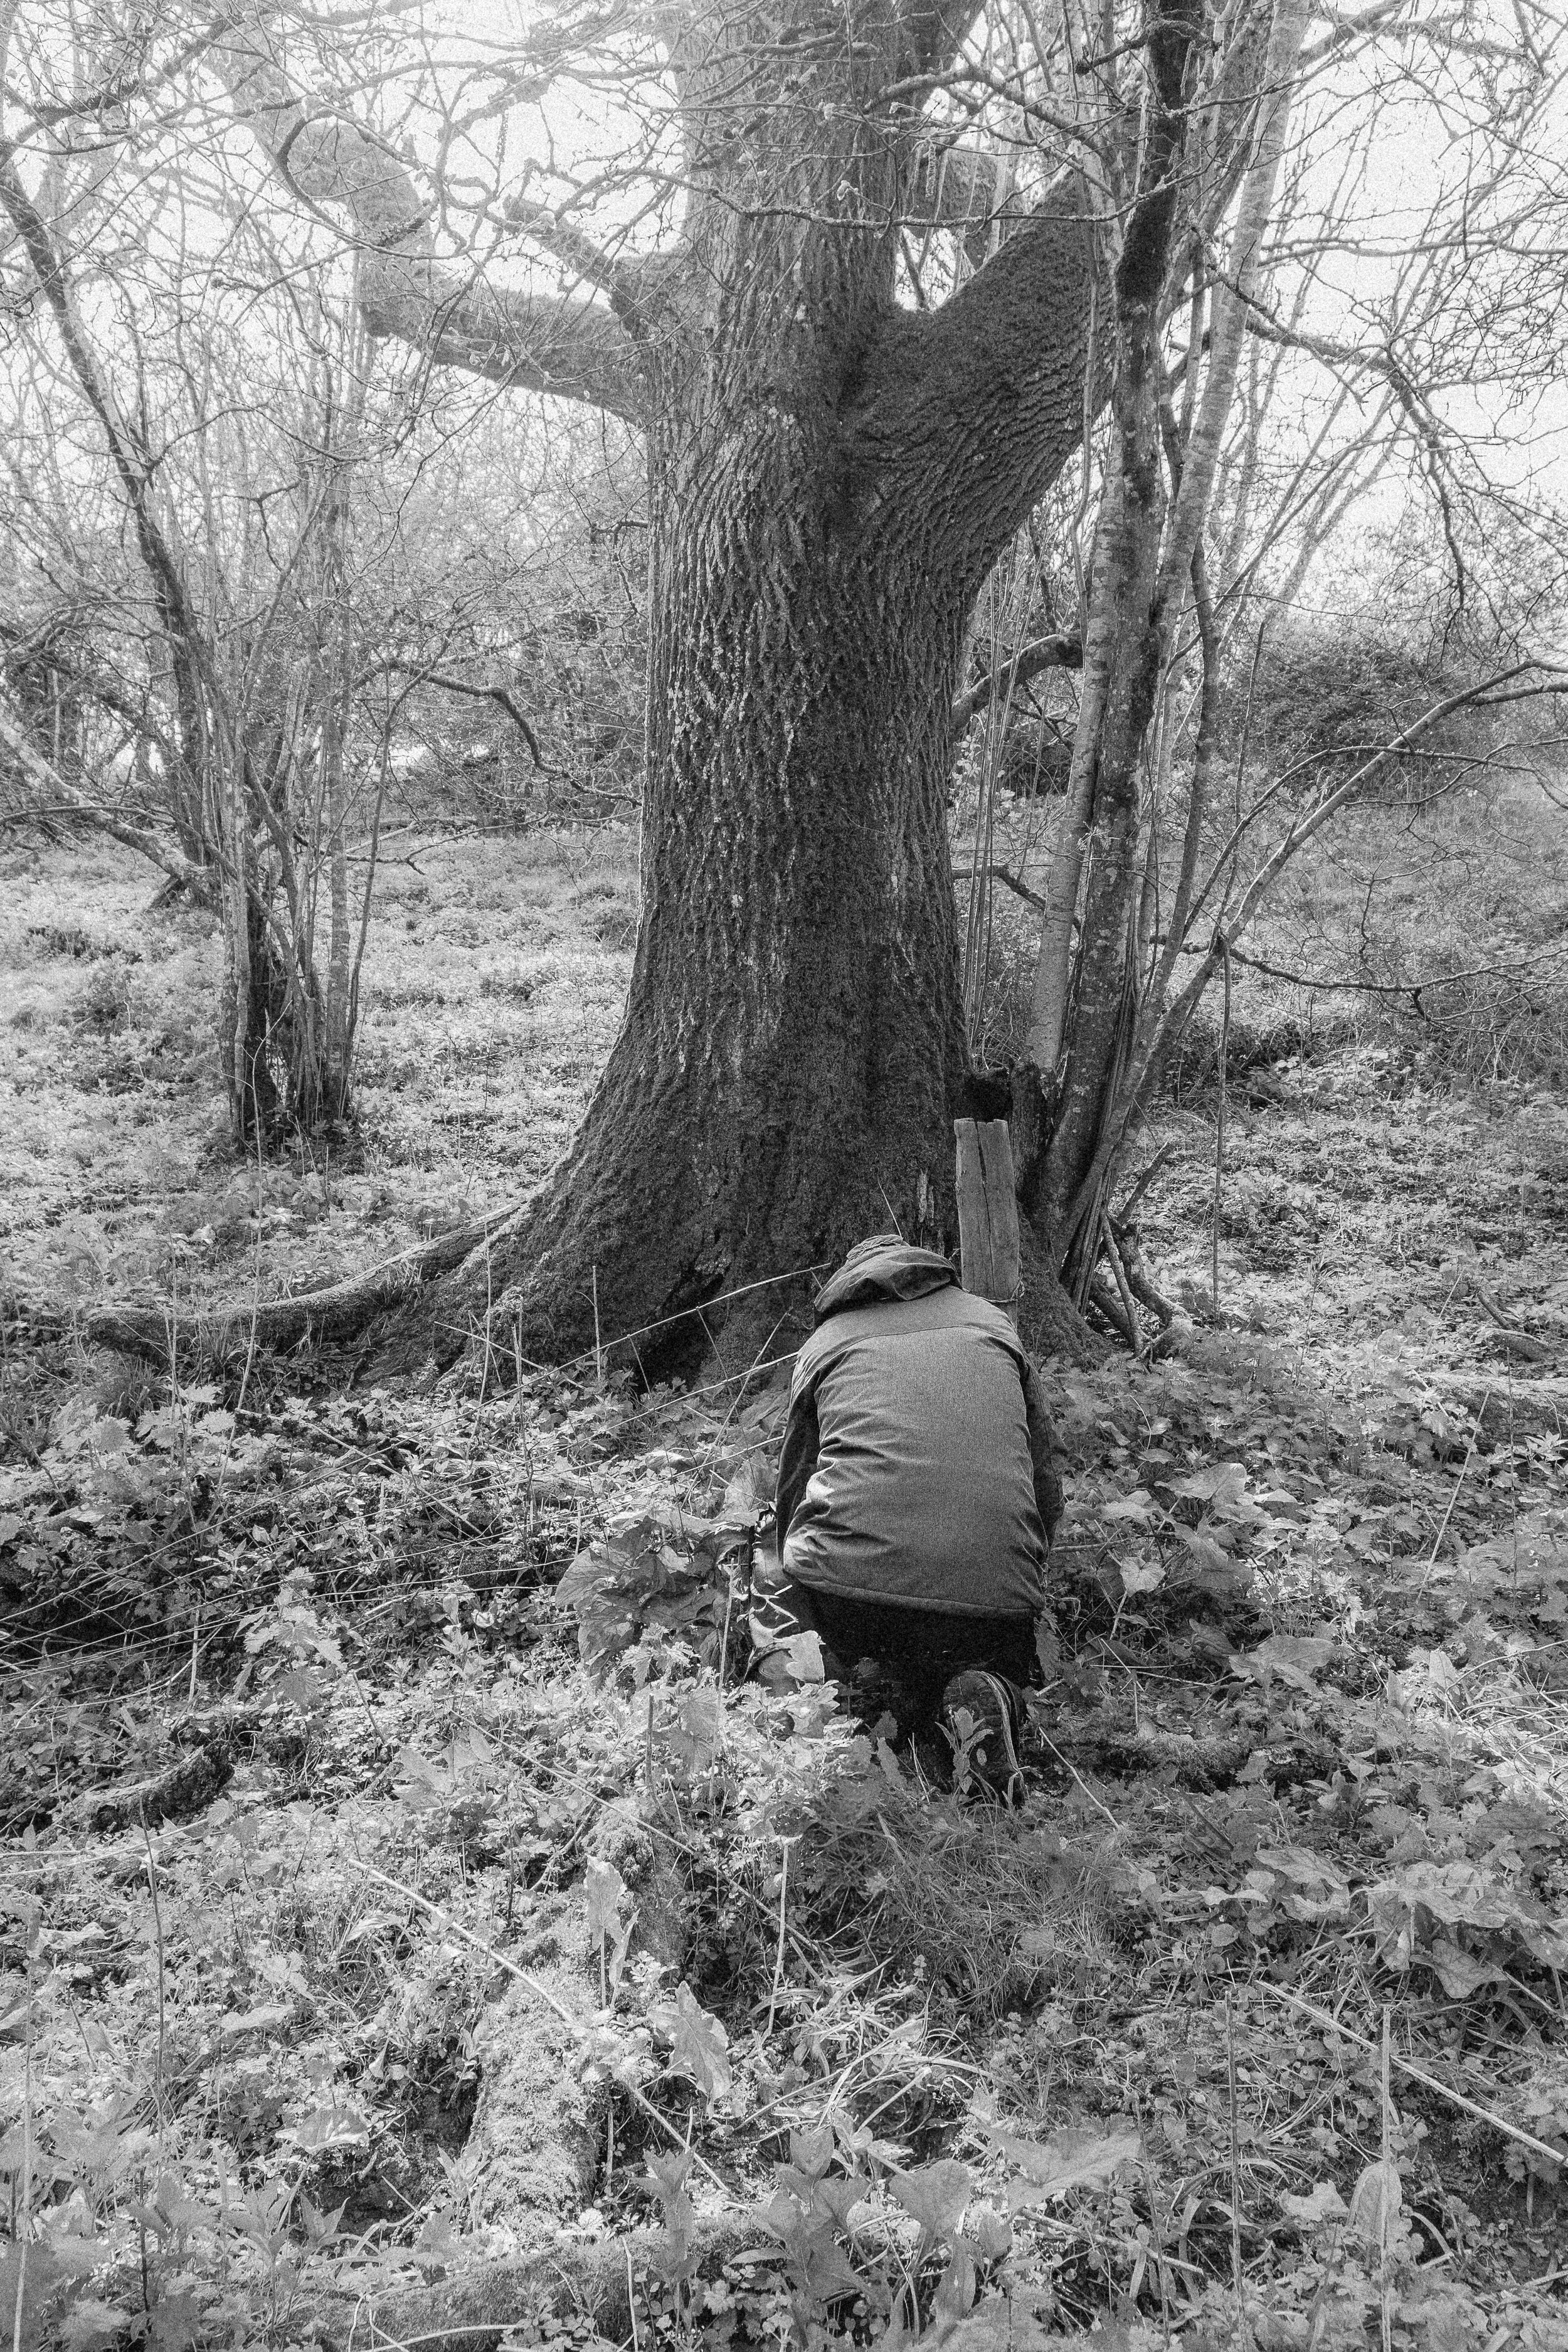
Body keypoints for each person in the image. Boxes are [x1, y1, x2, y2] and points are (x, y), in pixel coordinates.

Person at [771, 1234, 1062, 1802]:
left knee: (765, 1549)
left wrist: (798, 1580)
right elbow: (1044, 1473)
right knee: (980, 1650)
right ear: (933, 1274)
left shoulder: (825, 1342)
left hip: (854, 1605)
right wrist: (1022, 1570)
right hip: (992, 1602)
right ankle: (983, 1689)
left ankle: (841, 1687)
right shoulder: (990, 1323)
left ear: (848, 1287)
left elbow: (792, 1486)